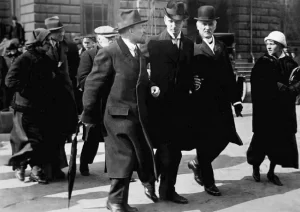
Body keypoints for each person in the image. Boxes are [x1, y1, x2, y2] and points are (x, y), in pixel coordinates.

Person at [81, 9, 159, 212]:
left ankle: (122, 198)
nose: (144, 31)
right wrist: (88, 115)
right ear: (131, 30)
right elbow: (92, 85)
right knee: (123, 156)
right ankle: (115, 201)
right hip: (117, 116)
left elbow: (137, 80)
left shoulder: (139, 53)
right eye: (141, 27)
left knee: (135, 156)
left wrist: (150, 86)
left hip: (136, 116)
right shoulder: (110, 52)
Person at [141, 0, 196, 204]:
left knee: (175, 153)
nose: (174, 25)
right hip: (159, 107)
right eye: (171, 21)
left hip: (181, 107)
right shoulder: (154, 43)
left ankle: (166, 190)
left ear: (184, 22)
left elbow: (191, 72)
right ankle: (151, 182)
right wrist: (150, 84)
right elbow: (139, 69)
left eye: (178, 22)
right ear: (165, 20)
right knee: (165, 150)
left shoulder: (189, 44)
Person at [188, 5, 243, 196]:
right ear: (197, 25)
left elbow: (228, 75)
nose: (207, 28)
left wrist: (236, 100)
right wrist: (190, 82)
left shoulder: (220, 46)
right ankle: (208, 182)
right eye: (203, 24)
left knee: (225, 137)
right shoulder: (191, 47)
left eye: (210, 24)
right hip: (201, 104)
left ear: (215, 24)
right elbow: (183, 72)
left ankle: (197, 163)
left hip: (221, 104)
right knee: (203, 143)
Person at [247, 31, 299, 186]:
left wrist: (293, 89)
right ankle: (256, 168)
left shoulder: (291, 64)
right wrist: (274, 86)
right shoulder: (263, 62)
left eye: (272, 43)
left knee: (279, 143)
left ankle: (271, 172)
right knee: (260, 142)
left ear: (281, 46)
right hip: (266, 111)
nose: (269, 46)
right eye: (267, 43)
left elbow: (298, 81)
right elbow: (256, 83)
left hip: (283, 112)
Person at [5, 28, 55, 184]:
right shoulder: (24, 59)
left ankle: (35, 169)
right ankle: (20, 167)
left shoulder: (45, 59)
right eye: (47, 42)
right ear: (38, 42)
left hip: (41, 107)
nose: (49, 45)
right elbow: (10, 81)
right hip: (24, 107)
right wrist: (30, 89)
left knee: (39, 140)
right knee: (22, 140)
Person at [78, 25, 118, 176]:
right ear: (99, 40)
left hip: (113, 103)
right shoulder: (88, 55)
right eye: (109, 39)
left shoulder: (117, 53)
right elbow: (82, 79)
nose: (113, 41)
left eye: (114, 38)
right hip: (95, 104)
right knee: (91, 138)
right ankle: (84, 163)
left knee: (113, 139)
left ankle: (113, 171)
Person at [44, 16, 78, 181]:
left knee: (60, 134)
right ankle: (48, 170)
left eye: (62, 30)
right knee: (48, 135)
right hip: (47, 98)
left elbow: (71, 71)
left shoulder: (67, 46)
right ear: (51, 34)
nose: (62, 33)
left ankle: (57, 168)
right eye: (59, 32)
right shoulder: (42, 47)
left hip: (63, 96)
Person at [0, 39, 22, 110]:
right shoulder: (3, 58)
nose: (10, 52)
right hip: (6, 82)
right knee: (6, 97)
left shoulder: (19, 56)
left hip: (15, 82)